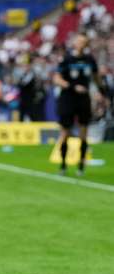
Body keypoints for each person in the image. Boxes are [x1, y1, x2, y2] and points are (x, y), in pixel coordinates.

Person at [53, 34, 105, 177]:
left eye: (84, 41)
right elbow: (56, 78)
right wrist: (71, 87)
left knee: (83, 132)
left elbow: (96, 78)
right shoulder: (66, 59)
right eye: (79, 41)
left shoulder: (90, 60)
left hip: (83, 99)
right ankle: (63, 165)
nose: (81, 43)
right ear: (74, 43)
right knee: (65, 132)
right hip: (68, 98)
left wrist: (102, 92)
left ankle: (81, 165)